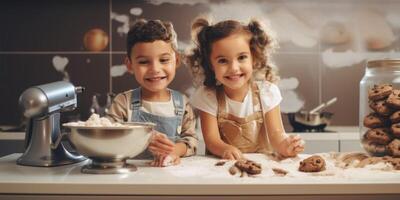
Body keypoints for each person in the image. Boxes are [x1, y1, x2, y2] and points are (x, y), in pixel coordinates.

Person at [187, 17, 304, 160]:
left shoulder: (266, 92)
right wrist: (225, 149)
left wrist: (286, 145)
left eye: (242, 57)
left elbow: (276, 134)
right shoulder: (208, 96)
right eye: (223, 60)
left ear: (253, 58)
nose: (234, 68)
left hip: (262, 170)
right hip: (222, 169)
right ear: (211, 65)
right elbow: (212, 140)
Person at [106, 19, 198, 167]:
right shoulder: (123, 102)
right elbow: (107, 138)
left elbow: (191, 141)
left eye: (163, 60)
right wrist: (143, 137)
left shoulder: (182, 103)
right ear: (130, 65)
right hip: (131, 177)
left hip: (170, 178)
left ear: (177, 61)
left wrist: (173, 150)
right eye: (144, 62)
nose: (155, 69)